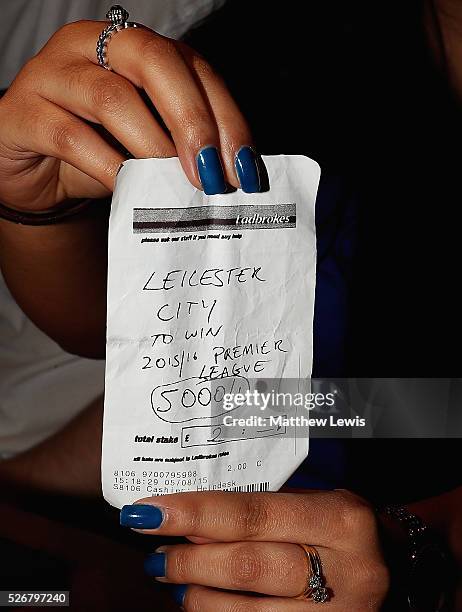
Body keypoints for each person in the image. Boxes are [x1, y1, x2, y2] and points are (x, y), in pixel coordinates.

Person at [0, 1, 461, 610]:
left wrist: (424, 550)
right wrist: (37, 207)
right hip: (173, 527)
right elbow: (108, 329)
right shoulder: (294, 44)